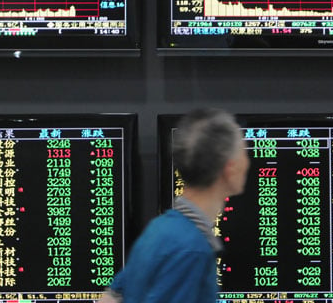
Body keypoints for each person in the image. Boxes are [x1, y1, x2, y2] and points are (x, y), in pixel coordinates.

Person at [97, 108, 250, 303]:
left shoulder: (159, 229)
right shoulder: (192, 248)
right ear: (230, 168)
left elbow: (110, 297)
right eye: (243, 152)